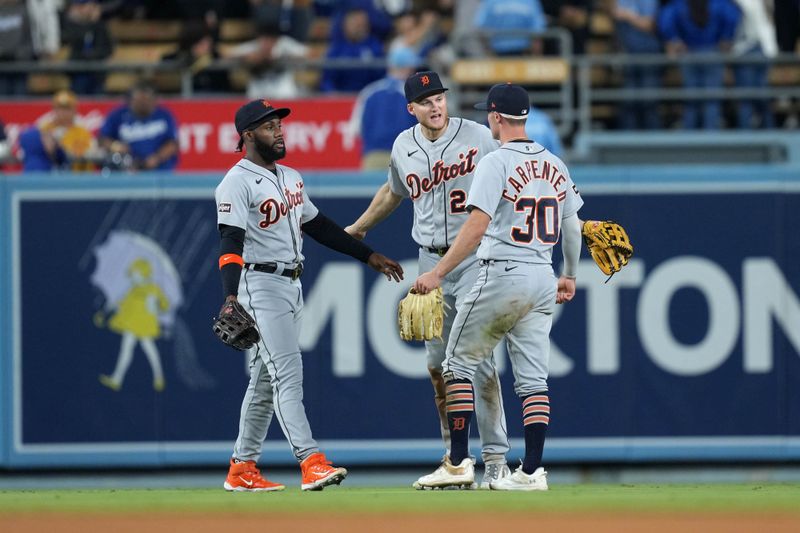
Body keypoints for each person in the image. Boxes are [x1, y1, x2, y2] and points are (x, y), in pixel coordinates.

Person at [215, 99, 404, 492]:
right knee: (288, 373)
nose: (279, 131)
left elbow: (319, 227)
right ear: (248, 135)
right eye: (269, 127)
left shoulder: (290, 177)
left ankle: (242, 467)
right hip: (259, 284)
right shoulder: (235, 182)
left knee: (266, 381)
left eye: (279, 125)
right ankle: (310, 460)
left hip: (292, 283)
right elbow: (230, 242)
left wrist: (368, 255)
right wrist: (230, 297)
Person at [412, 83, 583, 491]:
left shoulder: (495, 161)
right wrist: (570, 274)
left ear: (495, 117)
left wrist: (438, 272)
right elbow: (572, 225)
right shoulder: (555, 163)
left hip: (502, 270)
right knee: (532, 380)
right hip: (543, 275)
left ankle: (456, 463)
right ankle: (532, 472)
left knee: (454, 364)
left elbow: (475, 228)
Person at [345, 71, 511, 490]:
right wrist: (359, 228)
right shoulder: (404, 145)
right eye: (426, 101)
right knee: (438, 367)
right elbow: (392, 192)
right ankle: (456, 458)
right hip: (429, 261)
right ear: (411, 109)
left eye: (439, 97)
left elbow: (519, 171)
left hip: (476, 257)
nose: (436, 106)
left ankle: (495, 460)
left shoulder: (478, 136)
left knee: (476, 361)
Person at [659, 0, 741, 129]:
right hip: (706, 52)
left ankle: (692, 140)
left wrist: (674, 38)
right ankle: (708, 139)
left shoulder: (682, 4)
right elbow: (732, 16)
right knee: (709, 100)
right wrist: (726, 36)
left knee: (694, 100)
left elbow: (666, 19)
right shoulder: (717, 3)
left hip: (696, 52)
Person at [351, 45, 422, 169]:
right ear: (408, 68)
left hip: (373, 156)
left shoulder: (369, 92)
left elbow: (356, 129)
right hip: (405, 157)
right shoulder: (414, 95)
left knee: (372, 189)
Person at [98, 80, 179, 171]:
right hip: (126, 169)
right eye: (139, 100)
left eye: (147, 100)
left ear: (154, 100)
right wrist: (116, 146)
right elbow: (102, 139)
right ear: (131, 100)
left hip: (159, 170)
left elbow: (172, 144)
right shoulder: (118, 115)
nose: (143, 104)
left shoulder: (164, 115)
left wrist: (156, 158)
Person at [610, 0, 663, 130]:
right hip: (628, 53)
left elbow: (649, 24)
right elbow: (615, 13)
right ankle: (626, 142)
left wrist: (629, 16)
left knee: (649, 101)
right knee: (629, 102)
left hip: (648, 53)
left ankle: (653, 140)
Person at [18, 89, 97, 171]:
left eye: (67, 108)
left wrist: (59, 147)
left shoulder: (82, 132)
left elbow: (89, 155)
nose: (63, 112)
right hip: (49, 174)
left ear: (74, 110)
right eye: (60, 108)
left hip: (76, 176)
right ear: (54, 109)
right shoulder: (45, 128)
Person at [732, 0, 778, 129]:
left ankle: (768, 132)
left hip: (761, 48)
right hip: (745, 49)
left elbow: (767, 21)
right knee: (748, 98)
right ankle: (747, 135)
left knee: (760, 97)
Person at [319, 7, 385, 93]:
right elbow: (327, 79)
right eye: (355, 24)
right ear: (345, 25)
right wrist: (332, 94)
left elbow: (381, 78)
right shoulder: (336, 48)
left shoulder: (374, 46)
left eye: (361, 24)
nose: (358, 28)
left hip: (368, 96)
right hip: (341, 97)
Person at [61, 0, 114, 95]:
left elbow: (107, 49)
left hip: (97, 73)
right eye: (83, 7)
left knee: (98, 93)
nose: (87, 10)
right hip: (78, 72)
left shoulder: (100, 27)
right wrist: (83, 21)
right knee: (79, 87)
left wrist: (95, 22)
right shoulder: (72, 24)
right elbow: (74, 41)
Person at [474, 0, 547, 56]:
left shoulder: (530, 1)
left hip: (523, 53)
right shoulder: (491, 1)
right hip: (498, 53)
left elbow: (538, 33)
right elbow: (480, 28)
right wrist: (488, 52)